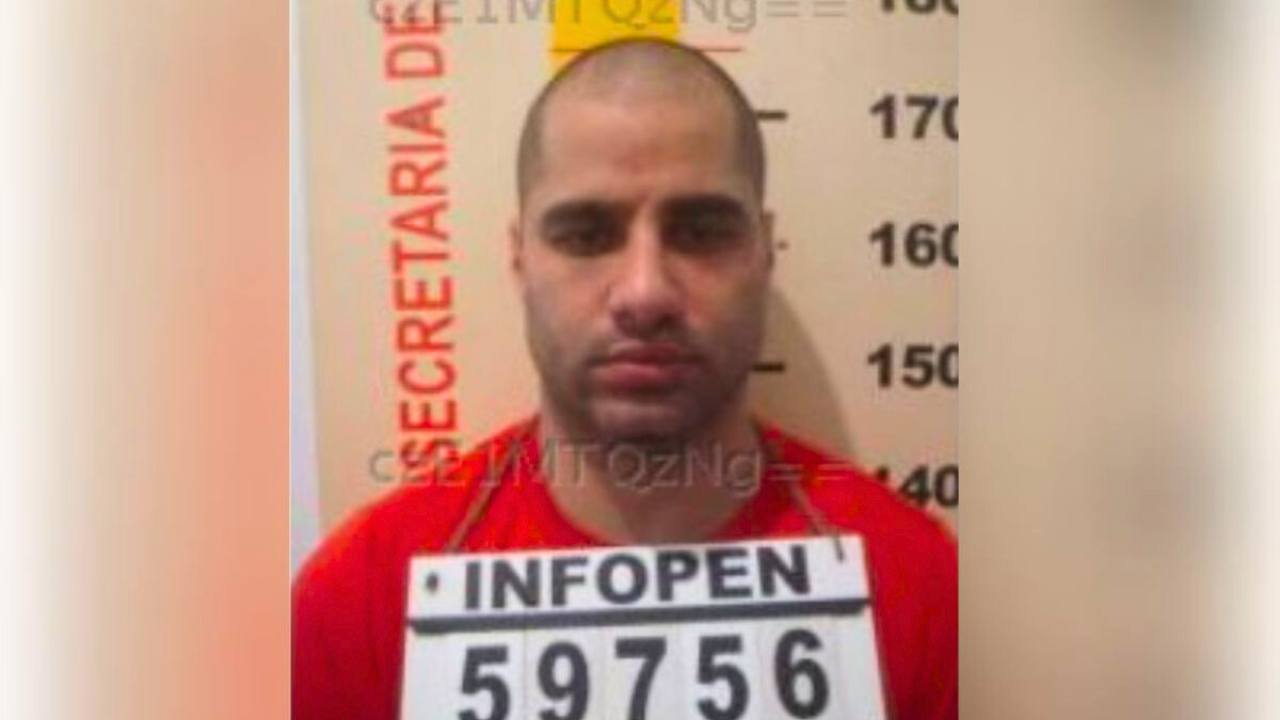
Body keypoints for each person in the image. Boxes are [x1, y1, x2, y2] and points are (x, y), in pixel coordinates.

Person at [293, 37, 956, 720]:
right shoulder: (361, 603)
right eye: (586, 235)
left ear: (765, 250)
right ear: (520, 259)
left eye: (701, 231)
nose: (645, 293)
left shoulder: (924, 590)